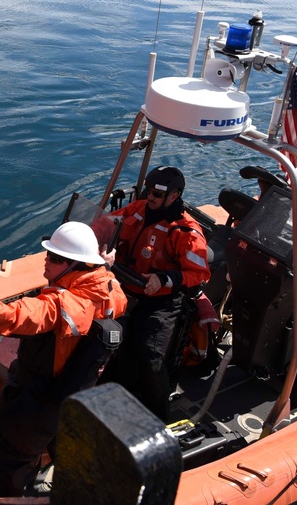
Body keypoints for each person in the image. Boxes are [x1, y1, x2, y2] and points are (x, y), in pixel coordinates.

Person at [0, 221, 127, 496]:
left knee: (11, 459)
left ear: (76, 264)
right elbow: (107, 287)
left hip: (41, 398)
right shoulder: (111, 288)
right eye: (47, 254)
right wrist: (104, 265)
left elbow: (11, 317)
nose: (46, 262)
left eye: (55, 258)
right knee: (66, 450)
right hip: (77, 393)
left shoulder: (61, 305)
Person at [106, 165, 210, 420]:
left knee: (150, 355)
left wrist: (165, 279)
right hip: (125, 288)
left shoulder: (185, 232)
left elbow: (200, 274)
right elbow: (106, 224)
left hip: (161, 300)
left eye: (156, 194)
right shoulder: (137, 210)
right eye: (148, 191)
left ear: (174, 196)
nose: (150, 197)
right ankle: (109, 395)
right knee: (107, 340)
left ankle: (158, 414)